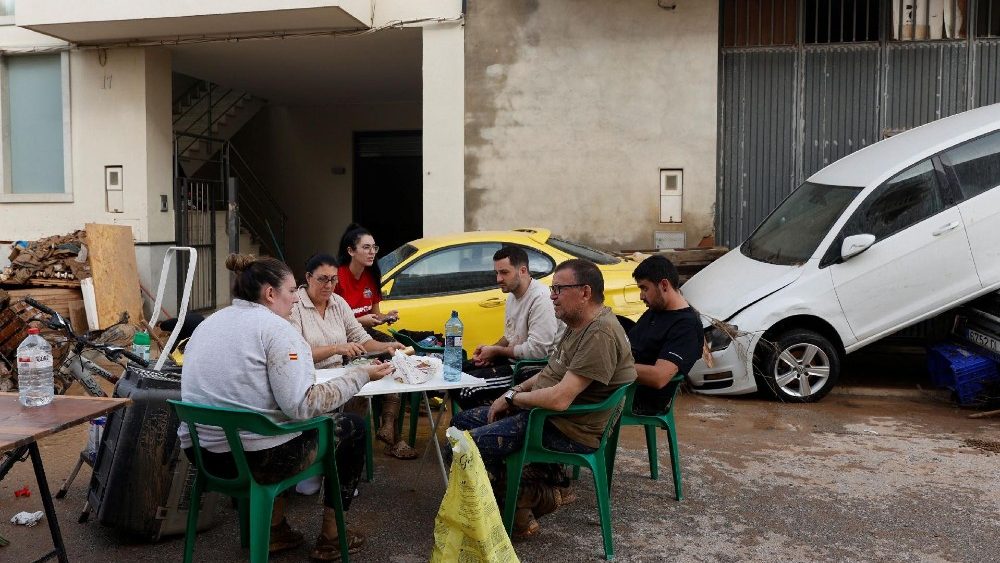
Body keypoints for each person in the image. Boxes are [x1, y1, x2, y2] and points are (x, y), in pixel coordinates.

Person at [178, 254, 394, 560]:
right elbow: (303, 406)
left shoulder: (208, 323)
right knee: (352, 428)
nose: (295, 299)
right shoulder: (278, 330)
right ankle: (332, 537)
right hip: (256, 461)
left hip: (203, 457)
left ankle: (275, 529)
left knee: (274, 423)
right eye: (292, 291)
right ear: (270, 293)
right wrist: (359, 375)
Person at [450, 258, 637, 536]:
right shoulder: (578, 324)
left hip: (565, 427)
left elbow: (561, 398)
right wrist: (513, 392)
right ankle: (521, 502)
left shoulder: (600, 332)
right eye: (552, 288)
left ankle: (535, 495)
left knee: (463, 445)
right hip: (547, 415)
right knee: (460, 423)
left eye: (559, 289)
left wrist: (512, 401)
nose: (552, 296)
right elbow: (549, 373)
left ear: (585, 292)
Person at [290, 252, 416, 461]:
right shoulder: (295, 307)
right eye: (322, 279)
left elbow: (362, 339)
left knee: (385, 373)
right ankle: (325, 458)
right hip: (311, 378)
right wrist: (336, 348)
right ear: (308, 277)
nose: (328, 285)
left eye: (333, 279)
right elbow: (295, 355)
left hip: (339, 373)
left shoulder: (338, 303)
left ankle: (381, 433)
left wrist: (388, 346)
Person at [455, 245, 562, 410]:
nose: (498, 279)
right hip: (514, 361)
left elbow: (537, 351)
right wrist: (490, 351)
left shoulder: (541, 299)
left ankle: (491, 426)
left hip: (533, 370)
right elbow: (510, 337)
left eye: (504, 273)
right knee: (456, 375)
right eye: (496, 273)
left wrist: (497, 352)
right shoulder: (513, 295)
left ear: (523, 271)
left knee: (466, 389)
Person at [628, 255, 703, 415]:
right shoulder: (656, 311)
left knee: (572, 400)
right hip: (623, 387)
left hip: (638, 398)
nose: (641, 296)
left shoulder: (686, 326)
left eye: (644, 288)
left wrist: (613, 367)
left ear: (663, 285)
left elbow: (659, 377)